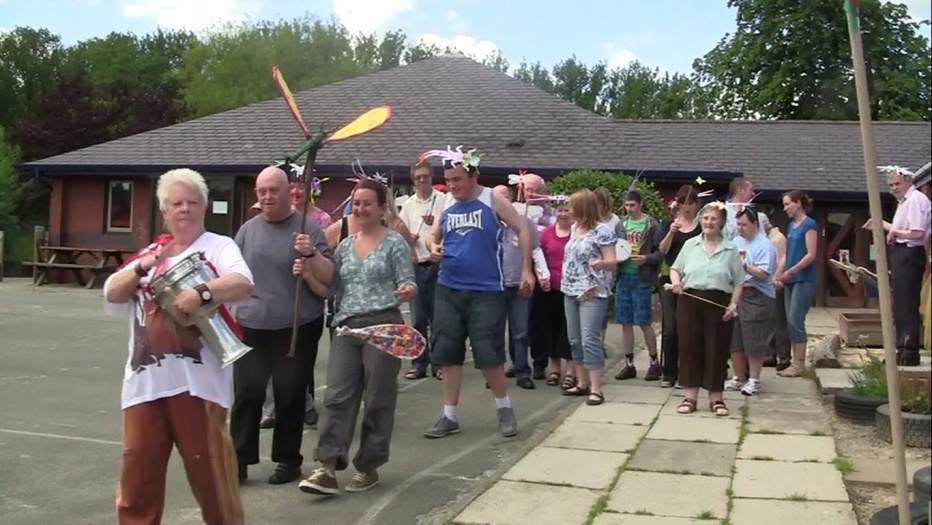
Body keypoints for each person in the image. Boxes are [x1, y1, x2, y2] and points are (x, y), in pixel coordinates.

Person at [103, 168, 254, 525]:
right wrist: (139, 269)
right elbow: (111, 292)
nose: (185, 209)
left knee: (213, 480)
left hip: (198, 386)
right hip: (144, 385)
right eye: (176, 203)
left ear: (204, 207)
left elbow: (243, 283)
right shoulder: (151, 252)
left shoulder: (218, 245)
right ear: (164, 211)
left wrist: (202, 293)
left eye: (192, 202)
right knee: (137, 480)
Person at [298, 179, 416, 496]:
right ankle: (327, 468)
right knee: (337, 397)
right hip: (347, 328)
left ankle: (369, 465)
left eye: (367, 203)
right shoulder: (345, 246)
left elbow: (409, 281)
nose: (360, 209)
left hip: (384, 329)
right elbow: (331, 290)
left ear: (381, 208)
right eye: (356, 203)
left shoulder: (394, 243)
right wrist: (308, 272)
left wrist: (407, 290)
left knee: (378, 399)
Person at [420, 146, 534, 439]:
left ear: (473, 176)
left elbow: (522, 229)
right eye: (448, 180)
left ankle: (504, 408)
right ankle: (449, 416)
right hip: (448, 287)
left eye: (457, 180)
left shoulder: (492, 199)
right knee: (448, 352)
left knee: (488, 353)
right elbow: (433, 235)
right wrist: (433, 246)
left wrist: (526, 269)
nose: (452, 186)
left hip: (486, 290)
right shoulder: (447, 202)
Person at [230, 166, 334, 485]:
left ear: (289, 192)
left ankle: (288, 460)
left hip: (296, 326)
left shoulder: (308, 230)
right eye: (262, 191)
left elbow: (330, 279)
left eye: (274, 190)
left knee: (290, 394)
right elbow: (233, 272)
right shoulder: (247, 230)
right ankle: (239, 459)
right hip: (251, 325)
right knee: (247, 394)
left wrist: (310, 255)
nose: (267, 196)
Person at [260, 175, 332, 429]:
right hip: (271, 302)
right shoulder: (263, 221)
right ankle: (274, 408)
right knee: (274, 364)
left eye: (303, 188)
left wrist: (308, 259)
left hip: (304, 302)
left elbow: (326, 258)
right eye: (295, 189)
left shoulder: (318, 221)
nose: (297, 193)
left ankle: (305, 404)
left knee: (298, 366)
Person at [669, 201, 744, 417]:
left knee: (716, 349)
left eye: (713, 219)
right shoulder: (690, 244)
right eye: (705, 218)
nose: (709, 222)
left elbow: (739, 281)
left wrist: (733, 305)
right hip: (689, 301)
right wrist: (676, 282)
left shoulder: (730, 249)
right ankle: (690, 397)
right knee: (689, 347)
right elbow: (675, 269)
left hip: (718, 302)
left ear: (721, 223)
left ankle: (716, 398)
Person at [862, 167, 931, 366]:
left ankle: (908, 352)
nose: (894, 188)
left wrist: (893, 231)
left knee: (906, 304)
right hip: (902, 251)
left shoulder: (915, 200)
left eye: (897, 184)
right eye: (891, 185)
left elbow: (917, 233)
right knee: (900, 303)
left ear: (908, 182)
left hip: (910, 252)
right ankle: (902, 349)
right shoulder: (904, 202)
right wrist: (886, 227)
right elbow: (902, 229)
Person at [560, 189, 618, 405]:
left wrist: (601, 263)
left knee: (589, 339)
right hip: (570, 289)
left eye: (573, 206)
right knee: (574, 339)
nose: (569, 210)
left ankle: (596, 388)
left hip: (592, 291)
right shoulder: (574, 229)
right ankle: (582, 382)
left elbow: (612, 261)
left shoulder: (602, 232)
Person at [493, 184, 549, 389]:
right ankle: (496, 372)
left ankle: (522, 371)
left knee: (521, 331)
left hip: (519, 284)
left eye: (504, 197)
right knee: (495, 332)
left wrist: (542, 274)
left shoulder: (525, 223)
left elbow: (536, 250)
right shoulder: (489, 225)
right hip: (495, 286)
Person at [398, 160, 447, 380]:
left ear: (431, 177)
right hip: (417, 265)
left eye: (425, 176)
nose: (422, 180)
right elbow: (401, 233)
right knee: (418, 319)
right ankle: (418, 363)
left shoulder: (443, 200)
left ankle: (438, 363)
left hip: (438, 264)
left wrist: (435, 224)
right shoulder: (408, 205)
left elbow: (449, 229)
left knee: (438, 318)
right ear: (413, 179)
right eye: (418, 177)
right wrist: (410, 237)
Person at [725, 209, 777, 396]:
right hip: (737, 293)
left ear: (755, 223)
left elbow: (764, 274)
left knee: (754, 339)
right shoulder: (736, 242)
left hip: (757, 295)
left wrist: (745, 266)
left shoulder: (765, 245)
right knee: (735, 338)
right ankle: (738, 377)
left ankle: (755, 379)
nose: (740, 228)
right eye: (738, 224)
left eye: (744, 224)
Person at [613, 189, 663, 381]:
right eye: (627, 205)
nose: (629, 208)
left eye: (633, 205)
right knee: (625, 321)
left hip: (641, 278)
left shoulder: (652, 225)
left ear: (640, 204)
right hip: (623, 275)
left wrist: (646, 259)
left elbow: (660, 252)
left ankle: (654, 362)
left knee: (644, 321)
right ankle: (629, 363)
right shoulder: (621, 224)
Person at [657, 185, 701, 387]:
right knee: (670, 327)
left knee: (689, 328)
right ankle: (668, 373)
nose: (687, 207)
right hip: (668, 280)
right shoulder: (669, 223)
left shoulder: (700, 227)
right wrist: (671, 233)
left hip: (692, 281)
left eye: (691, 203)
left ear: (696, 205)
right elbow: (662, 250)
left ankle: (687, 371)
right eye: (683, 203)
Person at [531, 196, 576, 389]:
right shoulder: (546, 234)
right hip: (549, 289)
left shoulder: (577, 234)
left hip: (571, 289)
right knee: (550, 329)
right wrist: (540, 276)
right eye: (560, 210)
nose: (563, 214)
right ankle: (554, 369)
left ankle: (571, 372)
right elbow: (536, 258)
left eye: (567, 210)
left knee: (569, 330)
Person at [777, 190, 818, 377]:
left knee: (796, 320)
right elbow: (787, 253)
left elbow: (811, 254)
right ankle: (795, 362)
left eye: (787, 204)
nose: (785, 208)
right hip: (789, 279)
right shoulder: (791, 226)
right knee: (789, 321)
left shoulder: (810, 224)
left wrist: (792, 271)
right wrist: (779, 272)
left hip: (804, 278)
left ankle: (799, 364)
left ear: (798, 203)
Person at [759, 213, 791, 371]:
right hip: (766, 284)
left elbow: (783, 260)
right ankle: (769, 354)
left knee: (779, 322)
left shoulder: (778, 239)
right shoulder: (764, 239)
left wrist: (777, 278)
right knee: (768, 322)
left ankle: (783, 356)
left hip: (776, 283)